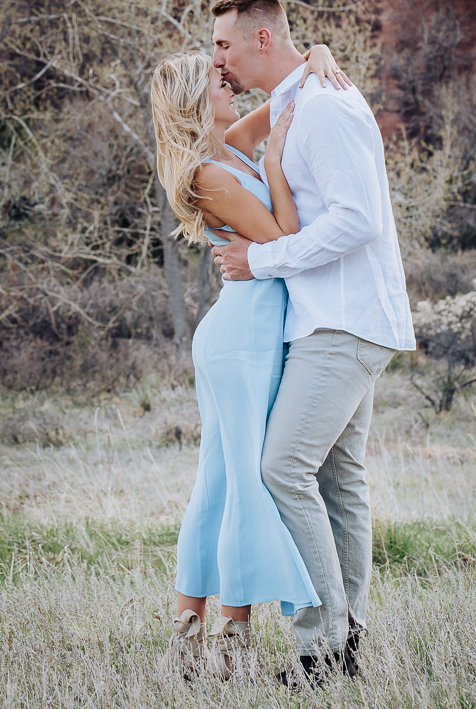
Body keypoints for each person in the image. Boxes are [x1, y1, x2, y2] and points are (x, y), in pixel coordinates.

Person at [207, 0, 416, 689]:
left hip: (344, 320)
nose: (219, 59)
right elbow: (235, 136)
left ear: (261, 40)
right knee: (337, 483)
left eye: (225, 45)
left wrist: (259, 260)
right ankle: (346, 642)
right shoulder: (305, 93)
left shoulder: (323, 106)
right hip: (335, 318)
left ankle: (320, 647)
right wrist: (319, 54)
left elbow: (356, 221)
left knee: (282, 469)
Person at [150, 41, 350, 680]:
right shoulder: (210, 174)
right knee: (243, 485)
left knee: (218, 486)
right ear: (193, 100)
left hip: (248, 333)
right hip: (242, 341)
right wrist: (276, 166)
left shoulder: (227, 142)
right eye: (216, 78)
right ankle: (227, 643)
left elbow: (284, 94)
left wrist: (315, 53)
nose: (229, 79)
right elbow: (286, 242)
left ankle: (190, 644)